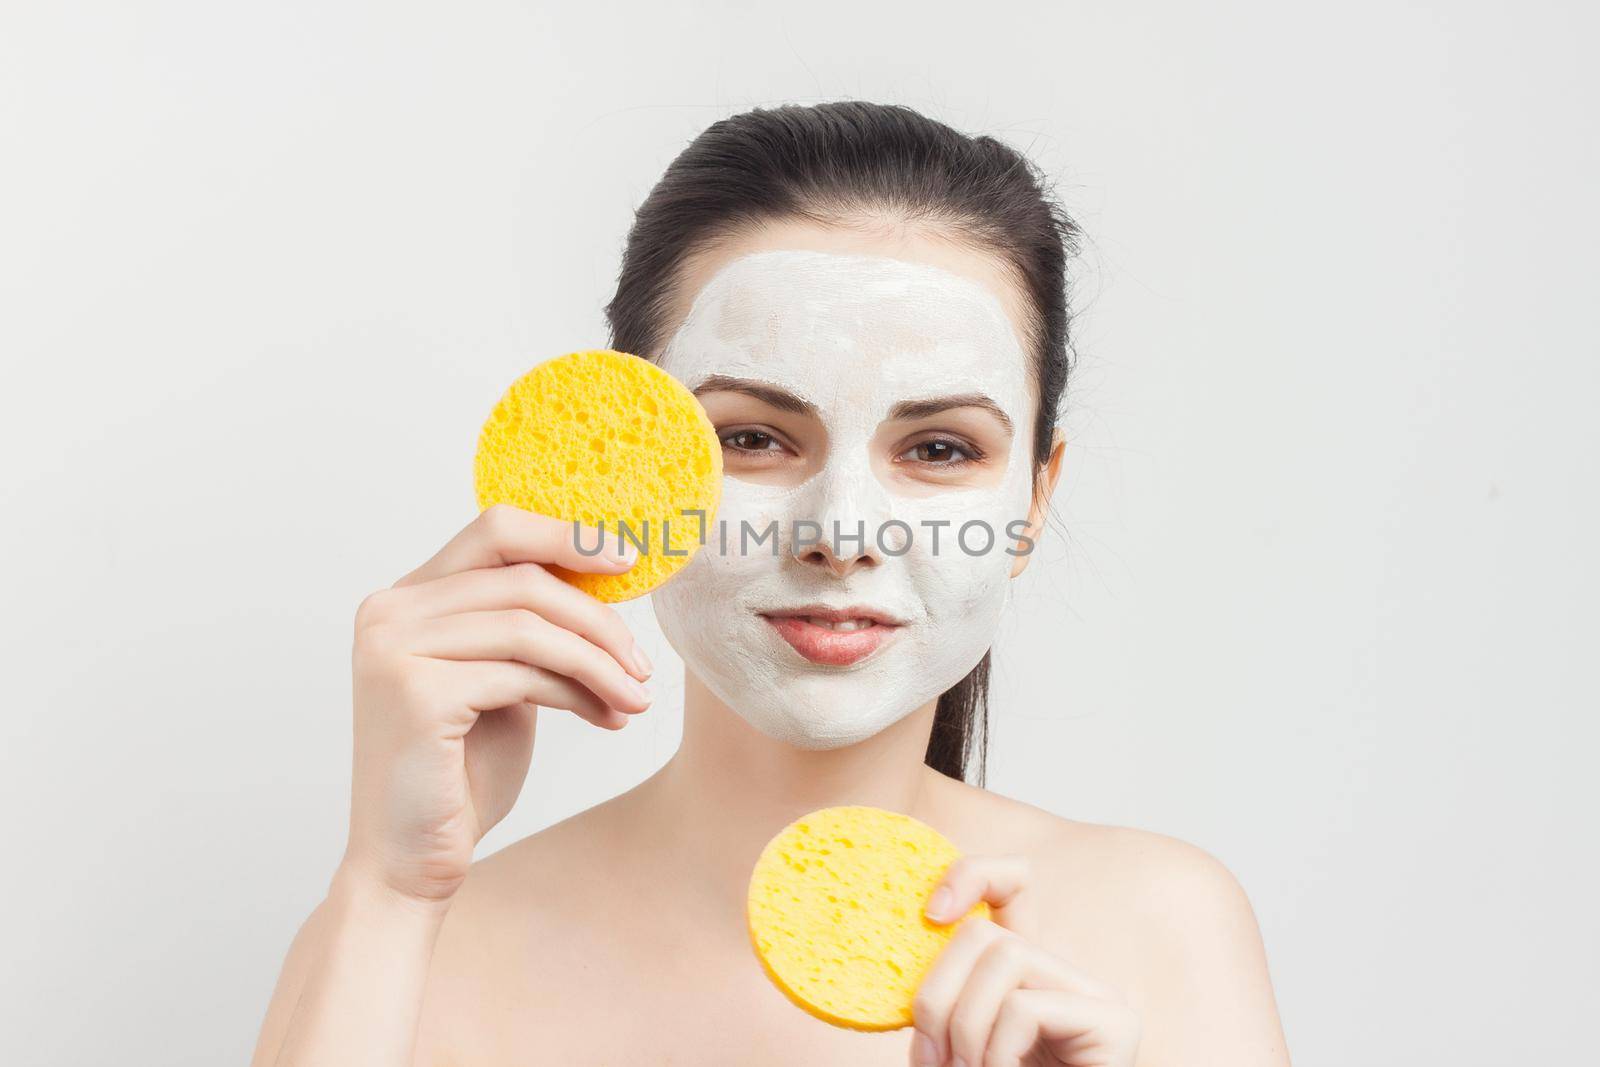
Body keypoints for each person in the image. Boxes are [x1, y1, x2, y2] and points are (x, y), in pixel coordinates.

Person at [250, 101, 1291, 1067]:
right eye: (750, 436)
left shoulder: (1157, 929)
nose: (841, 531)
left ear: (1031, 500)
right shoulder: (414, 939)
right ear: (620, 472)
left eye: (936, 447)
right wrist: (387, 887)